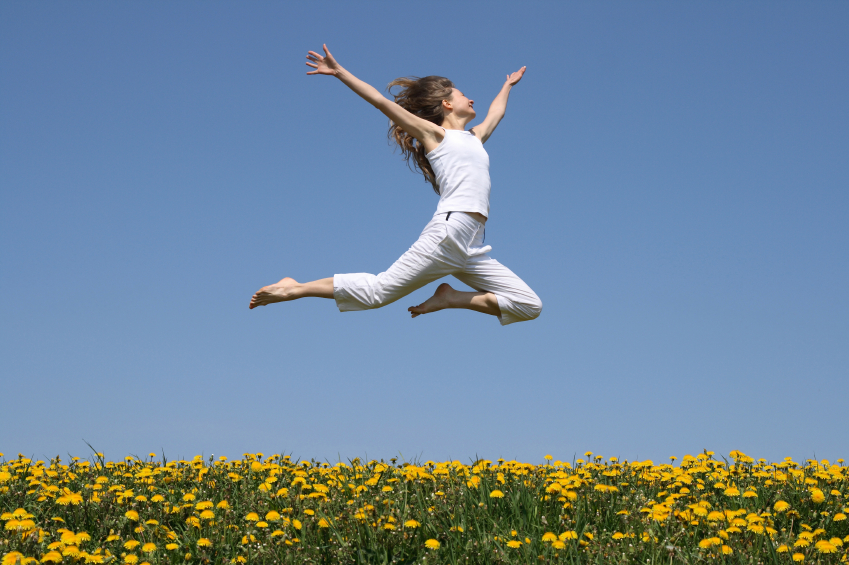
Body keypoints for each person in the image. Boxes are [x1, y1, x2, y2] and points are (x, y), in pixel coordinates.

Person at [249, 44, 542, 325]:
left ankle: (450, 297)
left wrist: (508, 86)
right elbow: (380, 101)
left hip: (472, 243)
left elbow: (497, 113)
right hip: (450, 232)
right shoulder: (435, 135)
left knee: (529, 305)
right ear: (447, 103)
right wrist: (339, 72)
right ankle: (294, 288)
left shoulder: (474, 138)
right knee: (378, 293)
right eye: (465, 95)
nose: (472, 99)